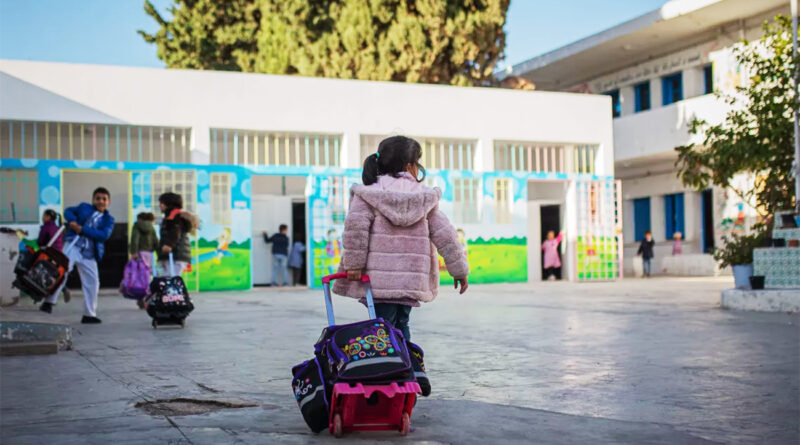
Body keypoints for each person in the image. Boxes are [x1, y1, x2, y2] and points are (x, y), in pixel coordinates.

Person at [333, 135, 469, 340]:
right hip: (411, 279)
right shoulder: (425, 197)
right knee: (402, 324)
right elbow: (446, 235)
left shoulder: (368, 194)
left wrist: (354, 265)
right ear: (410, 166)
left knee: (382, 327)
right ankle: (408, 367)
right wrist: (458, 270)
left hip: (379, 279)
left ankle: (389, 367)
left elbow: (356, 231)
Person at [39, 188, 114, 324]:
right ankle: (49, 302)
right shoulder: (84, 207)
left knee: (93, 283)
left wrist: (83, 229)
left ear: (108, 202)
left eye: (104, 199)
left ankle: (89, 314)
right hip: (74, 246)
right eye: (98, 198)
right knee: (62, 271)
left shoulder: (108, 219)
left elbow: (104, 235)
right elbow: (68, 211)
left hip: (90, 254)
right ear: (93, 200)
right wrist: (73, 221)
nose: (101, 201)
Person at [157, 193, 199, 277]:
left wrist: (169, 245)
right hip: (174, 254)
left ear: (169, 204)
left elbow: (175, 231)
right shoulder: (170, 217)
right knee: (168, 278)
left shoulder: (174, 217)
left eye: (162, 203)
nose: (160, 205)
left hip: (176, 254)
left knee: (171, 278)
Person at [37, 209, 70, 303]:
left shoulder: (46, 227)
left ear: (48, 217)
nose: (43, 218)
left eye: (44, 216)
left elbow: (40, 242)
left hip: (48, 255)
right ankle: (63, 289)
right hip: (59, 257)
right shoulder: (58, 228)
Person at [129, 212, 159, 309]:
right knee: (147, 277)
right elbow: (156, 241)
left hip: (140, 253)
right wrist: (158, 252)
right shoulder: (151, 227)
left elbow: (135, 239)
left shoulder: (137, 226)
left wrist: (133, 251)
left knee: (140, 277)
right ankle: (148, 297)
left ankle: (142, 298)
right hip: (149, 254)